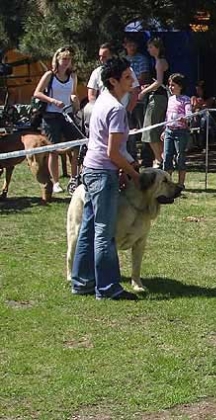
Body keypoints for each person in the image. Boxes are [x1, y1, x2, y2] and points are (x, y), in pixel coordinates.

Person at [70, 57, 140, 300]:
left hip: (90, 170)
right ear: (113, 81)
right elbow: (112, 152)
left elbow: (110, 148)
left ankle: (82, 282)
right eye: (128, 77)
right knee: (104, 233)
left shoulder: (101, 101)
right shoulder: (117, 109)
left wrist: (128, 163)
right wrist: (133, 173)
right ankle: (108, 288)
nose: (133, 81)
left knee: (89, 228)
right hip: (102, 173)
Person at [32, 46, 80, 194]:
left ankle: (74, 178)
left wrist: (74, 100)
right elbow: (37, 93)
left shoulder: (73, 77)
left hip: (67, 114)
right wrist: (52, 101)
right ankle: (56, 182)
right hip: (51, 116)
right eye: (64, 59)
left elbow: (72, 94)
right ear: (57, 60)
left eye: (69, 59)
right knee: (54, 149)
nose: (66, 62)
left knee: (77, 145)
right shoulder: (50, 75)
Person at [139, 37, 169, 168]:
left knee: (150, 129)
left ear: (157, 48)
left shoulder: (160, 62)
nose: (149, 50)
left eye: (151, 47)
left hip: (158, 98)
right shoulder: (157, 61)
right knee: (154, 130)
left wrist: (144, 92)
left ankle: (159, 159)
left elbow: (159, 82)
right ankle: (161, 157)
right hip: (157, 96)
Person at [162, 73, 192, 188]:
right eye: (169, 85)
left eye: (173, 85)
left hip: (181, 132)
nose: (170, 87)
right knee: (167, 156)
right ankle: (167, 182)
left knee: (180, 156)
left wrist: (186, 118)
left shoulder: (186, 100)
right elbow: (167, 116)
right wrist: (164, 130)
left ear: (180, 86)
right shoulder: (170, 99)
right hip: (169, 131)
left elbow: (189, 113)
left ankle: (180, 183)